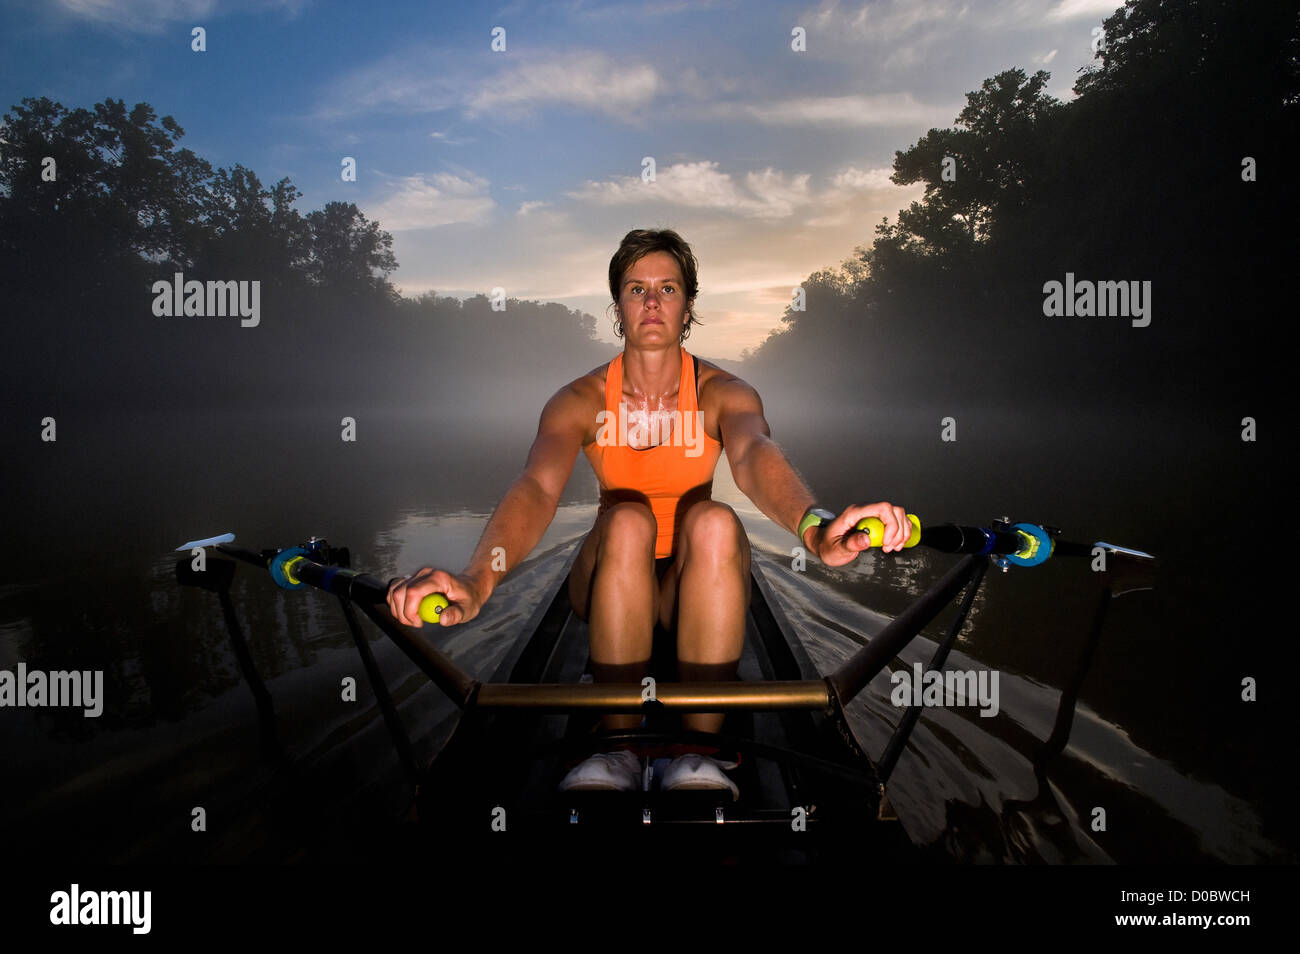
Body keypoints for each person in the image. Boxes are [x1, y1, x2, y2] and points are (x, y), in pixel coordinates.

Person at [387, 228, 911, 798]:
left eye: (668, 288)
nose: (653, 302)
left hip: (688, 583)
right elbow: (538, 486)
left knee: (714, 520)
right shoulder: (579, 400)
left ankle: (697, 751)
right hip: (607, 573)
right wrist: (476, 578)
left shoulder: (725, 392)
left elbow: (756, 454)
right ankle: (616, 747)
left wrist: (814, 526)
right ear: (618, 306)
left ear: (689, 305)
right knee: (627, 519)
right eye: (637, 289)